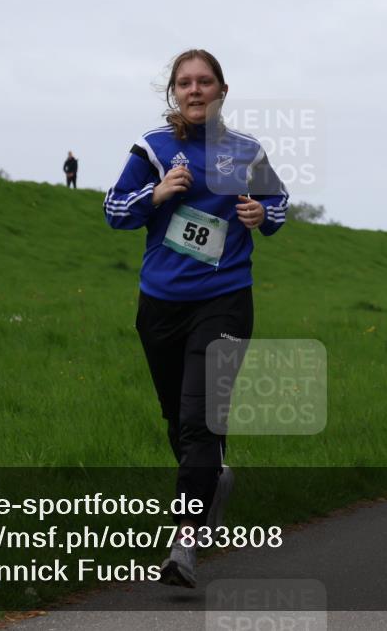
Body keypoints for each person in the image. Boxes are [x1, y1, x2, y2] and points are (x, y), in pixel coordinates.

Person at [103, 49, 288, 588]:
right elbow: (114, 209)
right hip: (160, 302)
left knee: (200, 417)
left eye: (205, 82)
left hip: (225, 297)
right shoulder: (153, 148)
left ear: (222, 90)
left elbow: (278, 206)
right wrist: (156, 193)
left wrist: (259, 213)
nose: (195, 90)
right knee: (177, 420)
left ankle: (184, 542)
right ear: (174, 94)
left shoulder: (246, 151)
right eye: (185, 83)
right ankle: (214, 478)